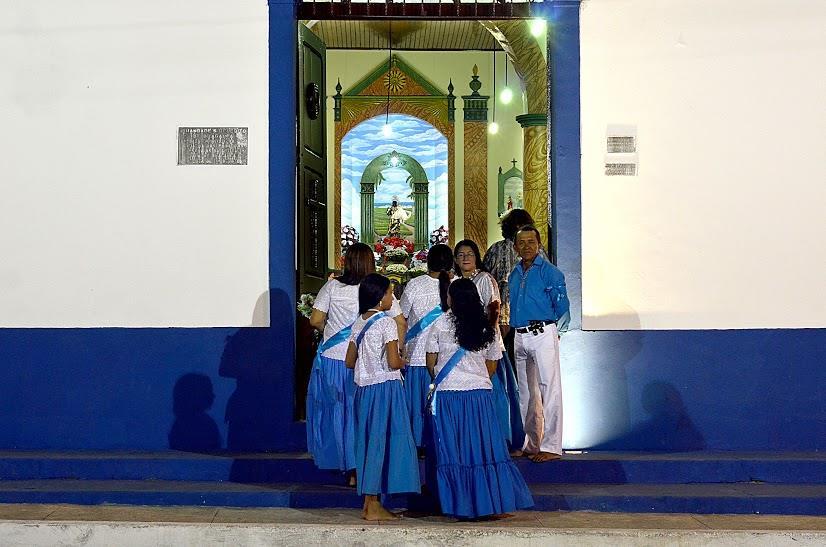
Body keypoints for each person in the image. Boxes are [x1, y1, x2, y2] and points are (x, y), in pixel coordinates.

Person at [425, 278, 534, 519]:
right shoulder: (487, 327)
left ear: (450, 299)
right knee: (483, 449)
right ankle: (490, 503)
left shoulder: (440, 324)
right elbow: (492, 366)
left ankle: (459, 504)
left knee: (454, 450)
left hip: (448, 396)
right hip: (479, 396)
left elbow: (430, 363)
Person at [307, 243, 406, 479]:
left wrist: (330, 332)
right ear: (371, 262)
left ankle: (346, 465)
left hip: (333, 358)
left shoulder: (332, 286)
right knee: (361, 412)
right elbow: (400, 322)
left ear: (346, 262)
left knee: (338, 411)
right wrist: (396, 349)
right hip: (367, 362)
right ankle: (363, 467)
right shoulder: (376, 287)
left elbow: (315, 320)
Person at [345, 273, 420, 520]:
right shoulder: (386, 323)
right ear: (379, 297)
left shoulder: (359, 322)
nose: (392, 297)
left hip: (363, 390)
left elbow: (349, 361)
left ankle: (369, 502)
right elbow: (393, 360)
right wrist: (403, 360)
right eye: (389, 293)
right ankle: (374, 505)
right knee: (382, 442)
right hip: (385, 388)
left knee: (368, 442)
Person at [453, 239, 525, 453]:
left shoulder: (485, 279)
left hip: (484, 344)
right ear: (455, 260)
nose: (465, 258)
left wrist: (485, 336)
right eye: (461, 254)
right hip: (459, 346)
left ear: (477, 257)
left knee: (493, 392)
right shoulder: (453, 281)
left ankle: (499, 440)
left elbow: (493, 309)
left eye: (469, 254)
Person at [507, 225, 570, 463]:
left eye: (531, 242)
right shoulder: (514, 273)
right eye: (521, 243)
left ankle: (552, 445)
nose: (526, 247)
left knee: (549, 389)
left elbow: (562, 307)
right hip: (520, 335)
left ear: (539, 243)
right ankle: (531, 443)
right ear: (515, 247)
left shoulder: (550, 273)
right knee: (526, 392)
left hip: (543, 332)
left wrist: (555, 332)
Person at [399, 244, 454, 451]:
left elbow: (401, 318)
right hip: (446, 358)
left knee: (417, 406)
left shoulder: (414, 285)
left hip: (417, 356)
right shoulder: (456, 284)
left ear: (427, 261)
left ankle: (418, 444)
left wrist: (400, 346)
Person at [482, 209, 549, 365]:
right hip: (528, 314)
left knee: (501, 358)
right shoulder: (537, 250)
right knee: (527, 363)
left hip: (501, 313)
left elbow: (485, 277)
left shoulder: (496, 249)